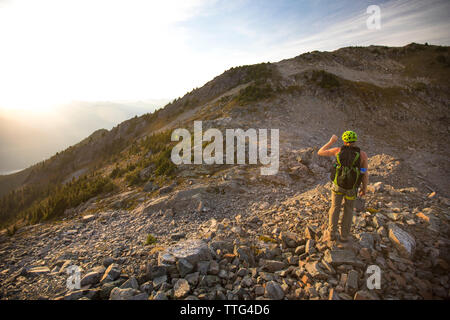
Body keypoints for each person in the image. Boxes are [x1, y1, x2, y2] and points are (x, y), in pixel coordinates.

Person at [317, 131, 368, 242]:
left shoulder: (337, 151)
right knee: (348, 210)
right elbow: (364, 173)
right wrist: (364, 188)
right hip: (352, 188)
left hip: (338, 186)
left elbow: (320, 152)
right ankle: (344, 236)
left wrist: (331, 141)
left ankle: (331, 234)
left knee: (335, 208)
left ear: (344, 141)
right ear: (355, 141)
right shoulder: (362, 155)